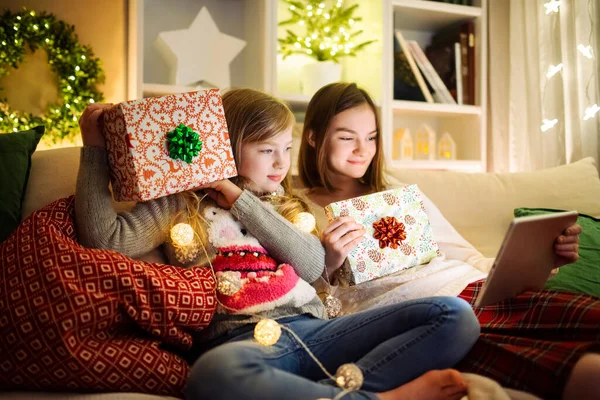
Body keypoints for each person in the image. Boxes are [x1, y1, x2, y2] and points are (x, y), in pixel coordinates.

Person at [75, 88, 480, 400]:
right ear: (227, 148)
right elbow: (105, 239)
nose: (281, 163)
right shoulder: (180, 204)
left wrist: (239, 199)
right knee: (211, 376)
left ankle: (325, 391)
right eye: (267, 150)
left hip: (318, 331)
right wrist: (94, 151)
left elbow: (310, 263)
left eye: (286, 148)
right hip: (242, 340)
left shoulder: (289, 206)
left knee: (454, 316)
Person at [296, 82, 598, 399]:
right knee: (569, 369)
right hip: (426, 318)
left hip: (476, 289)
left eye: (372, 137)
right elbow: (307, 310)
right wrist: (328, 265)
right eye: (347, 138)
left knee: (587, 318)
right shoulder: (299, 211)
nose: (363, 150)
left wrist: (543, 259)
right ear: (314, 137)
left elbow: (467, 256)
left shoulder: (397, 192)